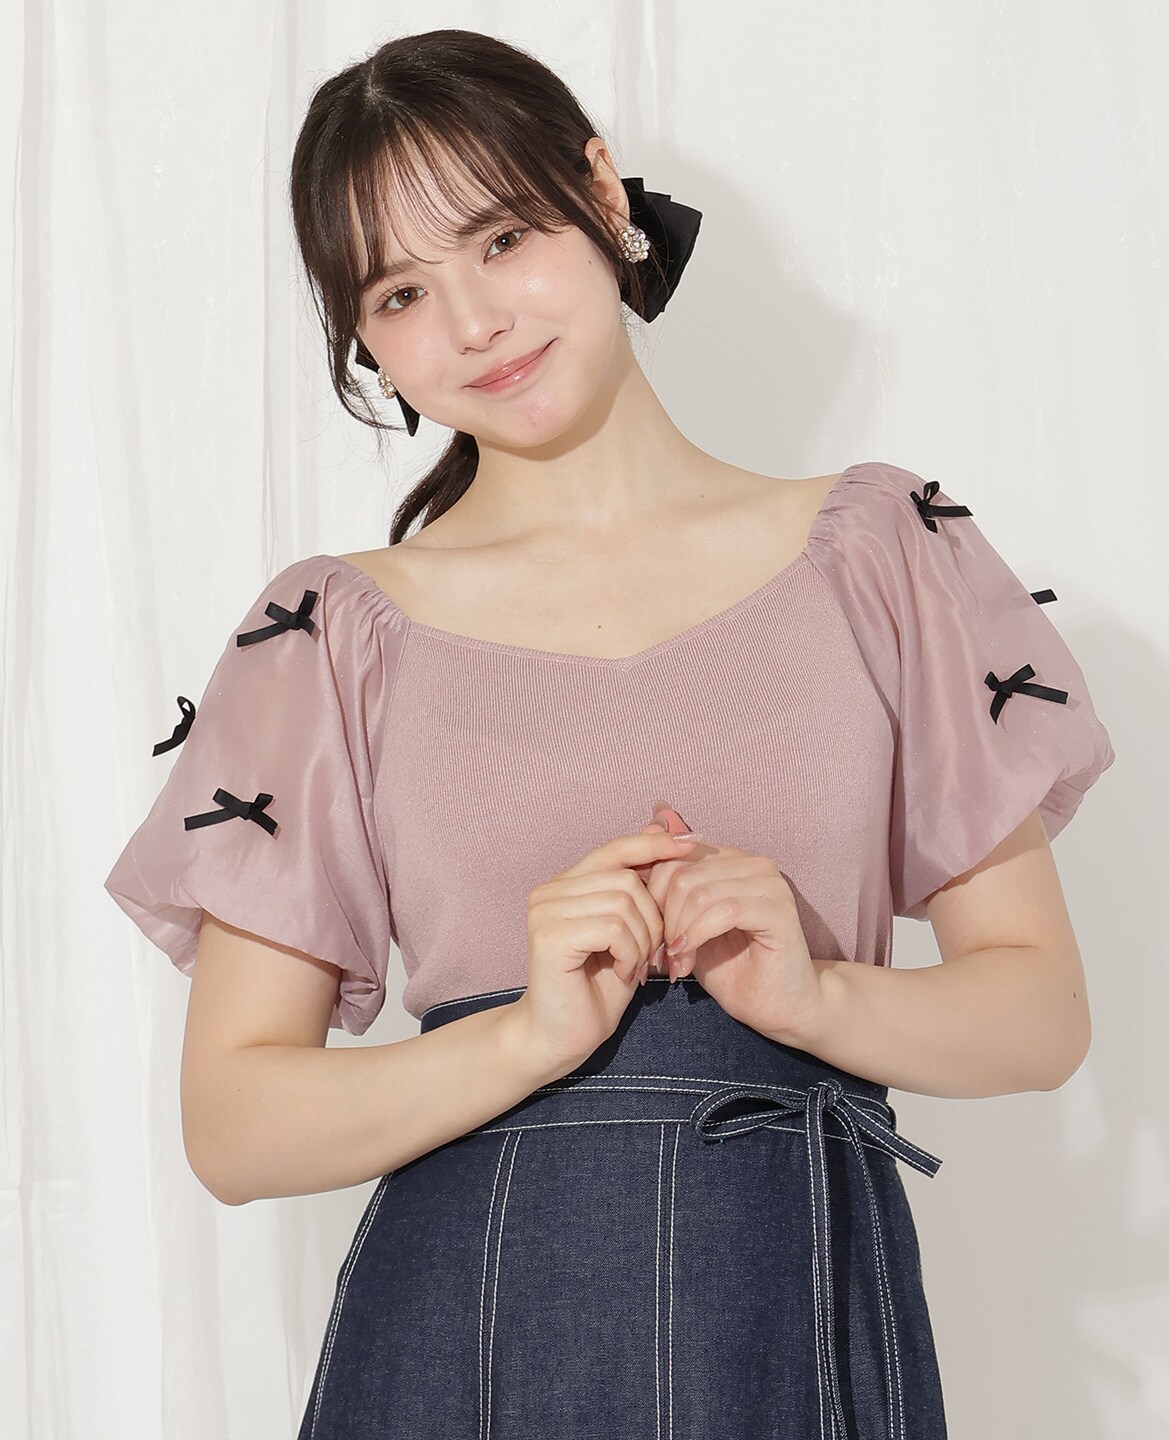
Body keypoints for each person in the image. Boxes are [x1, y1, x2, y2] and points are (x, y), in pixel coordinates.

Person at [103, 27, 1117, 1439]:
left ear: (597, 190)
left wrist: (813, 999)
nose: (475, 324)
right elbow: (233, 1126)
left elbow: (1041, 1014)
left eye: (504, 237)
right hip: (471, 1330)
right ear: (364, 337)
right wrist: (529, 1035)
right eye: (402, 292)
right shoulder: (331, 633)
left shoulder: (883, 550)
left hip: (794, 1305)